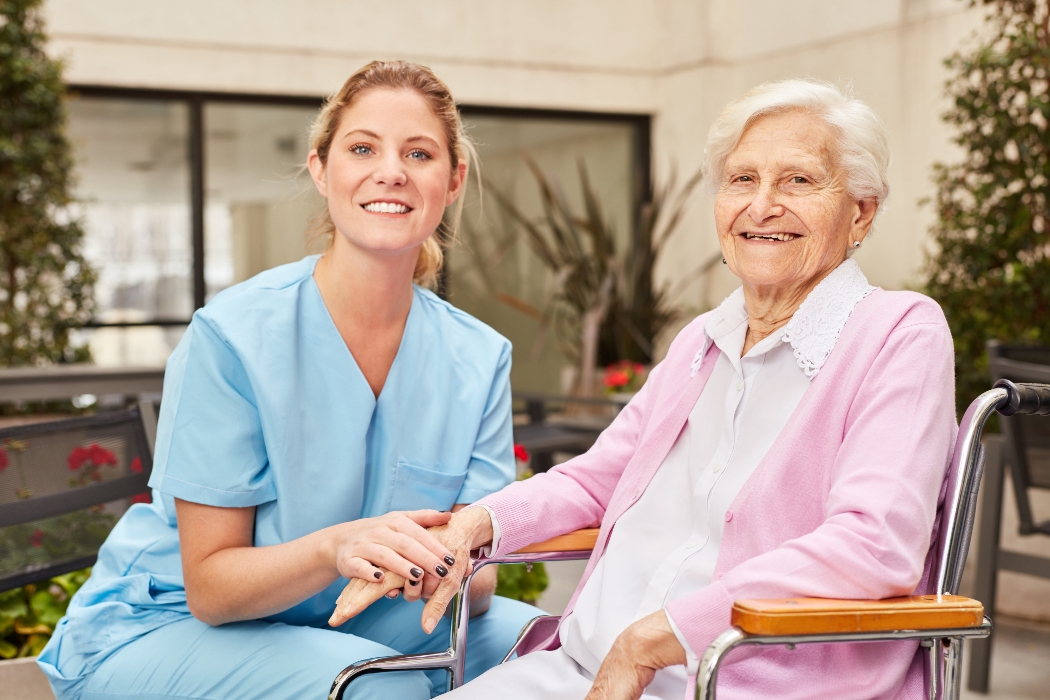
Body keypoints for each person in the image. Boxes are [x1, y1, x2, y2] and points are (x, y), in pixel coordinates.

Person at [337, 79, 958, 699]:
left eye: (798, 180)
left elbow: (873, 546)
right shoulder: (703, 341)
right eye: (742, 180)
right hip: (579, 670)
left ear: (862, 212)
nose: (762, 205)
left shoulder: (897, 333)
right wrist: (473, 524)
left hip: (740, 684)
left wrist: (653, 641)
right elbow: (595, 479)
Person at [37, 60, 541, 700]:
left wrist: (442, 557)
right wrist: (339, 546)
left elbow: (482, 577)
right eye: (362, 148)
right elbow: (213, 589)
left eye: (419, 152)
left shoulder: (479, 355)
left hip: (359, 616)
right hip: (171, 627)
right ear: (322, 171)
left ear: (452, 180)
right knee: (377, 690)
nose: (392, 171)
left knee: (558, 646)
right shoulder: (234, 336)